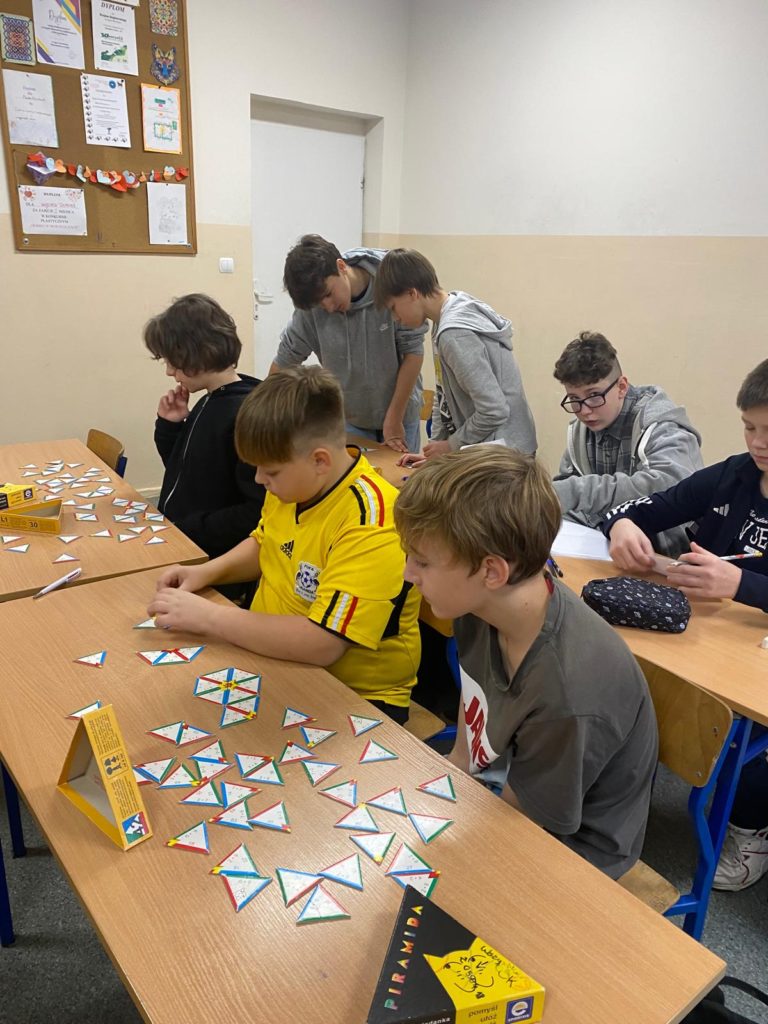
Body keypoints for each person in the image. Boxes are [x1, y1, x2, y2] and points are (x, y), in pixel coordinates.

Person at [394, 446, 658, 878]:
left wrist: (434, 835)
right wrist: (444, 788)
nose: (409, 572)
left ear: (492, 571)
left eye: (421, 561)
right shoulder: (477, 605)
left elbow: (523, 824)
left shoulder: (567, 692)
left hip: (571, 850)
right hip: (503, 786)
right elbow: (469, 739)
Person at [148, 365, 421, 723]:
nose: (259, 479)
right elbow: (266, 542)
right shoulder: (296, 485)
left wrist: (210, 616)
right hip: (273, 654)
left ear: (319, 460)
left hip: (353, 696)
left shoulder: (372, 522)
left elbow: (323, 644)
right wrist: (205, 572)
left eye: (270, 471)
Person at [601, 358, 768, 891]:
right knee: (628, 681)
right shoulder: (734, 475)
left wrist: (741, 584)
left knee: (746, 739)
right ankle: (621, 791)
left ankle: (750, 827)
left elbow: (741, 587)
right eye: (749, 427)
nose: (758, 443)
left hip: (753, 660)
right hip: (702, 636)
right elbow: (641, 508)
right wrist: (622, 525)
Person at [373, 248, 537, 463]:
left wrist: (450, 445)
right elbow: (443, 396)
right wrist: (433, 451)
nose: (395, 318)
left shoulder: (454, 334)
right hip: (491, 448)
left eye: (394, 308)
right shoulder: (445, 318)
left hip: (507, 457)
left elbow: (494, 410)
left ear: (412, 294)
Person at [271, 234, 426, 454]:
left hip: (400, 413)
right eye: (319, 304)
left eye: (328, 294)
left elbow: (413, 352)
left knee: (399, 474)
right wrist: (265, 414)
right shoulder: (311, 306)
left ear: (341, 266)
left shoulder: (391, 282)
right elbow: (285, 360)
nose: (328, 307)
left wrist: (394, 417)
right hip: (351, 418)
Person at [553, 331, 703, 555]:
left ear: (621, 387)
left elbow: (672, 491)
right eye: (574, 399)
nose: (584, 411)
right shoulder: (580, 431)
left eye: (594, 395)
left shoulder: (662, 425)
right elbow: (565, 498)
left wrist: (577, 492)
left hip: (669, 554)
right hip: (606, 546)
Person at [143, 293, 266, 559]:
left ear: (195, 353)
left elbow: (256, 512)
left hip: (211, 556)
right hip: (182, 541)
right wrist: (170, 427)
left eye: (171, 361)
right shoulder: (209, 400)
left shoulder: (246, 414)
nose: (169, 371)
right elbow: (185, 472)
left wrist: (188, 529)